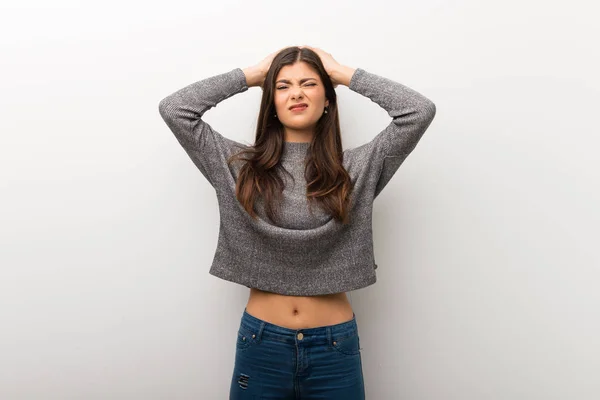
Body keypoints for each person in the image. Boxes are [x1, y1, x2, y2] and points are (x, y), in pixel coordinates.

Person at [158, 45, 436, 399]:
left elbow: (418, 111)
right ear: (271, 102)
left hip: (334, 345)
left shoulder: (357, 168)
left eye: (309, 83)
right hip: (262, 342)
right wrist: (253, 74)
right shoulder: (237, 166)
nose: (297, 93)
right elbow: (176, 110)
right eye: (283, 86)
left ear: (328, 100)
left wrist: (341, 71)